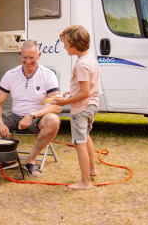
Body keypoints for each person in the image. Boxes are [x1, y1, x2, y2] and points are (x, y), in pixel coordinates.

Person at [0, 40, 61, 177]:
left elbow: (56, 106)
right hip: (14, 116)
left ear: (39, 55)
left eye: (32, 57)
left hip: (37, 118)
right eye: (24, 57)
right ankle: (2, 154)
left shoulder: (48, 75)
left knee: (53, 120)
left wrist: (32, 115)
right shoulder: (11, 74)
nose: (28, 61)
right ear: (20, 55)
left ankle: (31, 160)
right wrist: (0, 123)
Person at [53, 25, 100, 190]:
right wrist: (71, 92)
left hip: (81, 108)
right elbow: (87, 87)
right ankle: (92, 170)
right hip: (92, 105)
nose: (64, 47)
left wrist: (65, 102)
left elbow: (85, 92)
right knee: (86, 136)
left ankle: (85, 182)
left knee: (79, 142)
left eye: (65, 43)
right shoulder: (90, 58)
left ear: (74, 45)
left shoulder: (81, 64)